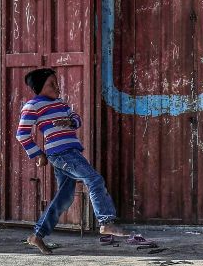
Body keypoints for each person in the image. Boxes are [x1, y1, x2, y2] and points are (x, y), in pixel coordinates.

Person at [16, 68, 130, 255]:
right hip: (61, 154)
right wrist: (39, 154)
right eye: (51, 84)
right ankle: (106, 222)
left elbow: (75, 118)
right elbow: (22, 134)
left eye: (56, 82)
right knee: (94, 179)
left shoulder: (61, 103)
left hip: (72, 152)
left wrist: (70, 122)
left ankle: (38, 235)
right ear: (39, 87)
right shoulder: (33, 105)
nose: (56, 86)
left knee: (65, 196)